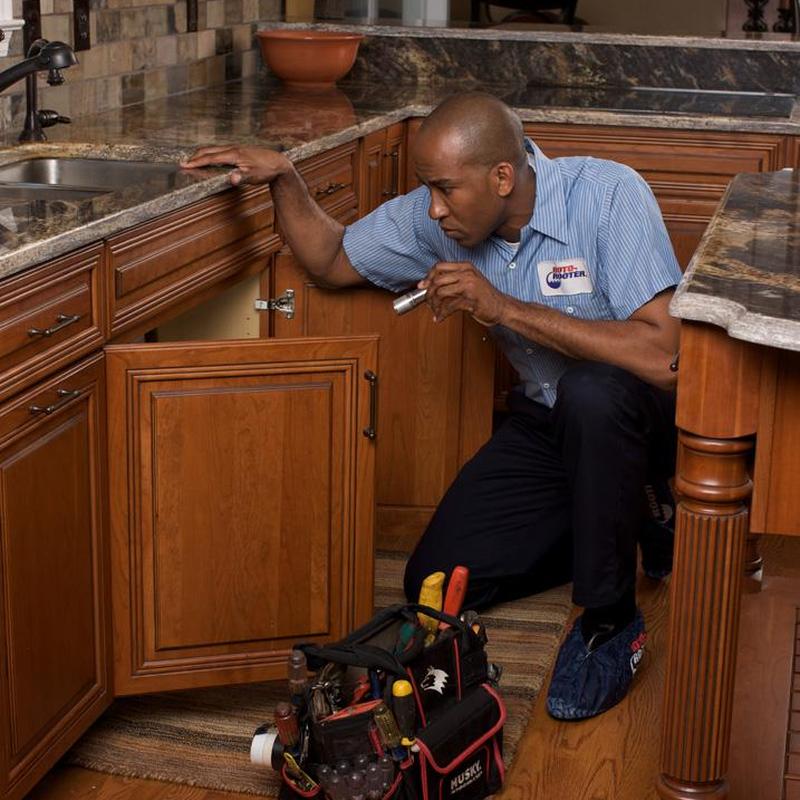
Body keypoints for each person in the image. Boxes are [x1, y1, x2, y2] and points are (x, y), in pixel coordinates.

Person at [181, 91, 682, 721]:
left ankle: (611, 621)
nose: (434, 208)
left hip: (631, 415)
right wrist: (284, 175)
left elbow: (666, 357)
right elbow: (332, 259)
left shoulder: (608, 195)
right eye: (427, 190)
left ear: (503, 177)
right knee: (433, 586)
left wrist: (503, 307)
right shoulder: (435, 219)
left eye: (445, 189)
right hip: (546, 419)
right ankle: (634, 515)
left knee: (591, 392)